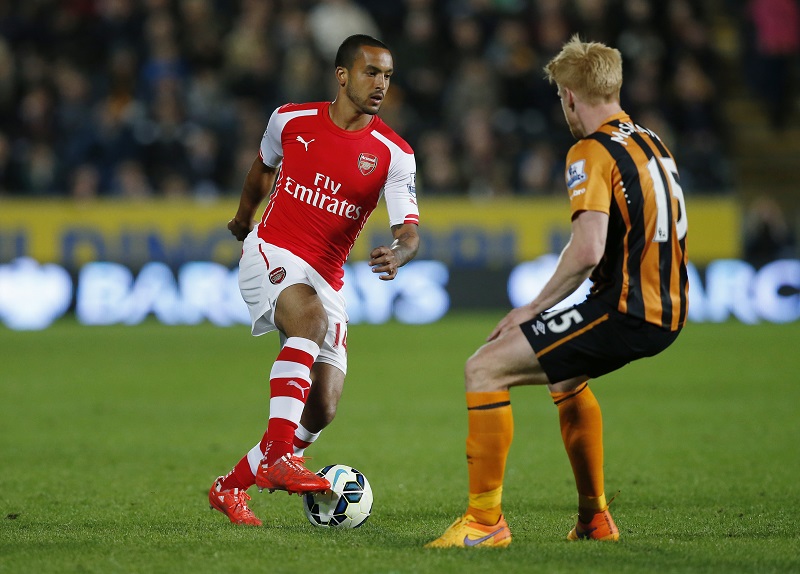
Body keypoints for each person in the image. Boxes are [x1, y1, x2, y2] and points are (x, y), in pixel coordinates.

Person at [426, 35, 689, 548]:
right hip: (665, 305)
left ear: (570, 95)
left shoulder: (590, 150)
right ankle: (595, 521)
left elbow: (587, 249)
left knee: (484, 367)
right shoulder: (652, 141)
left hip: (627, 309)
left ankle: (485, 524)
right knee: (564, 377)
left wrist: (531, 308)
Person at [209, 34, 420, 526]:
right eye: (371, 72)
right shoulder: (290, 119)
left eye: (388, 75)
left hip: (327, 274)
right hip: (272, 248)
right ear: (342, 75)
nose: (381, 84)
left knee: (322, 405)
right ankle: (282, 458)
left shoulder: (394, 153)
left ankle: (231, 486)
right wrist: (243, 220)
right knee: (309, 319)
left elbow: (409, 231)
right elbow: (262, 170)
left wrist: (401, 254)